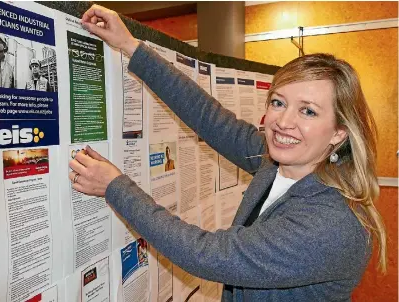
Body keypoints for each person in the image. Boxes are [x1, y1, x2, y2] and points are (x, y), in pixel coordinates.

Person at [69, 5, 387, 301]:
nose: (283, 122)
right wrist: (131, 47)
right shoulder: (280, 164)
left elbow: (209, 256)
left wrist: (115, 186)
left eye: (308, 111)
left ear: (339, 132)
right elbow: (211, 119)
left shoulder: (332, 224)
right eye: (278, 102)